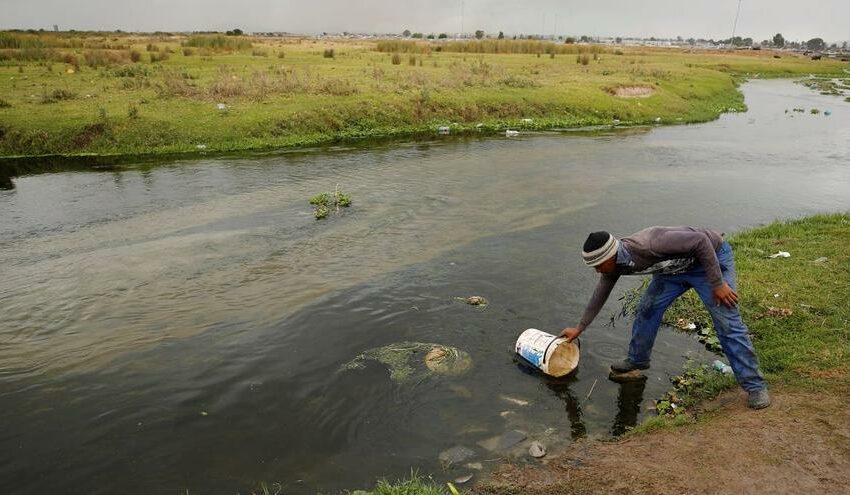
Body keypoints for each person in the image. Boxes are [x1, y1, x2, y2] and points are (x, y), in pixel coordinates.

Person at [560, 227, 770, 410]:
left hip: (708, 262)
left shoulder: (649, 244)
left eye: (598, 265)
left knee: (727, 322)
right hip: (672, 273)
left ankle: (755, 386)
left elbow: (701, 241)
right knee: (647, 310)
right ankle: (637, 360)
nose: (597, 271)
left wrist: (717, 284)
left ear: (611, 255)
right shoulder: (614, 265)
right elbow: (601, 292)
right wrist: (580, 327)